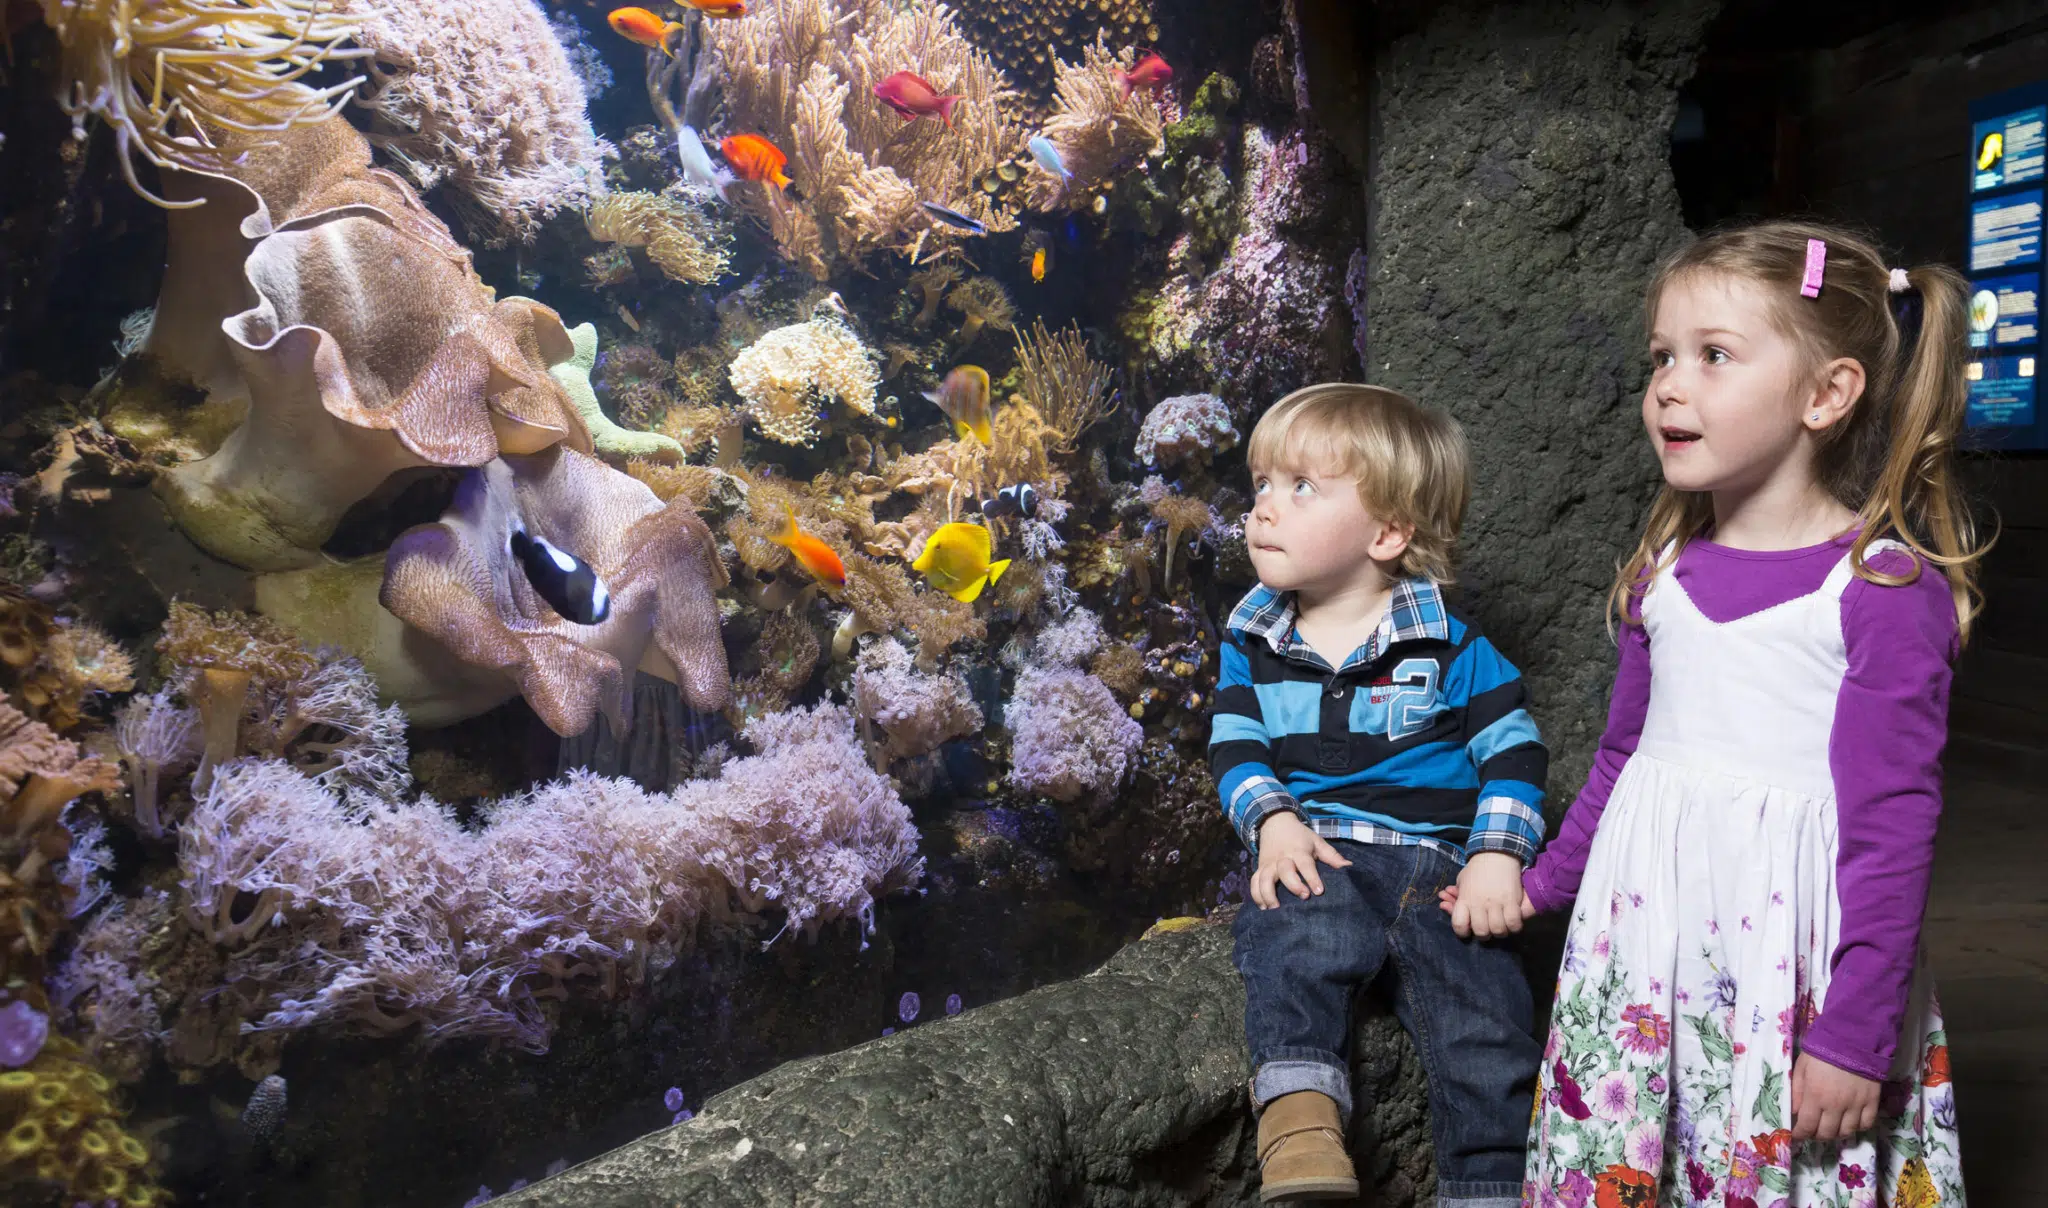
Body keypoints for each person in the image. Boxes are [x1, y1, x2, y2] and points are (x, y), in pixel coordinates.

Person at [1455, 221, 1981, 1207]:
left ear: (1825, 393)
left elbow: (1891, 830)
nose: (1666, 383)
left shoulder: (1879, 588)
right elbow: (1622, 756)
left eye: (1711, 355)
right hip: (1650, 948)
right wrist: (1539, 886)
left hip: (1790, 976)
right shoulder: (1663, 571)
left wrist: (1854, 1034)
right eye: (1660, 355)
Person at [1213, 383, 1548, 1206]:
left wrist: (1498, 859)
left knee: (1488, 1022)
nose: (1263, 509)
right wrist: (1276, 822)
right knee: (1295, 941)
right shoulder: (1251, 640)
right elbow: (1236, 749)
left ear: (1388, 532)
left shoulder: (1453, 647)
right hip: (1319, 843)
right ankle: (1299, 1129)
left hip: (1439, 866)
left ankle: (1492, 1189)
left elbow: (1515, 750)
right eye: (1260, 484)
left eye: (1300, 488)